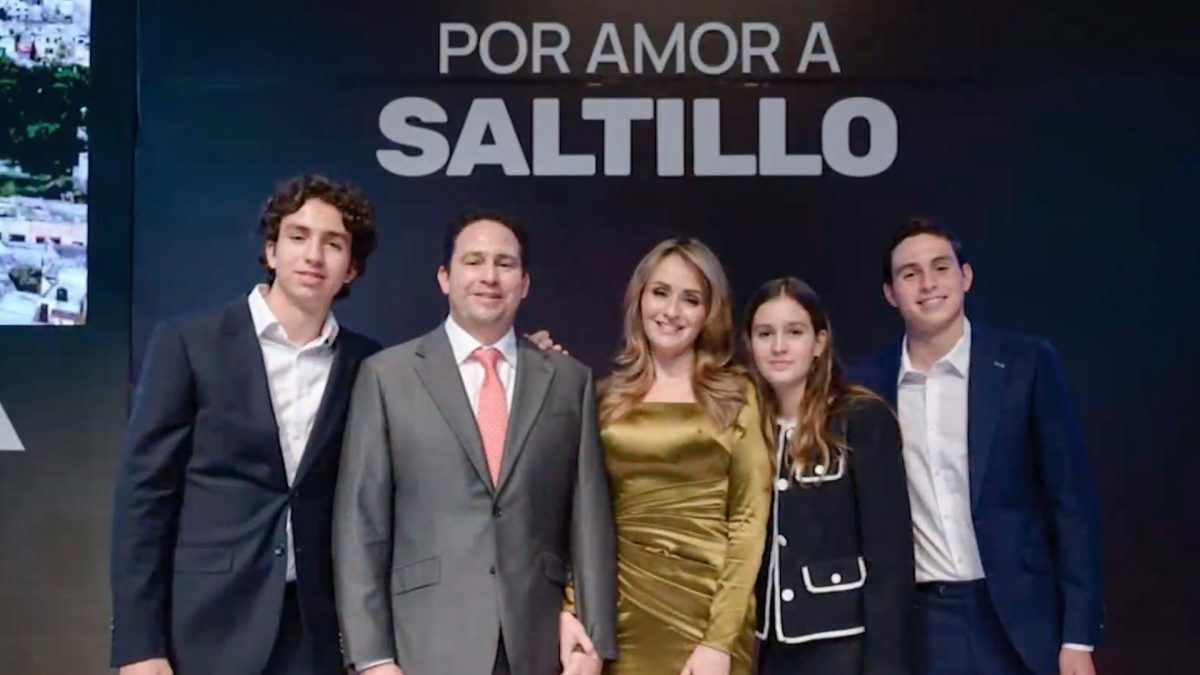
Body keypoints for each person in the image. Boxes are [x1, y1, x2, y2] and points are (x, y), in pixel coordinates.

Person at [110, 174, 380, 675]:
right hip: (204, 627)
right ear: (272, 251)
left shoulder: (369, 364)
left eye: (333, 243)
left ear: (352, 268)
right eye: (298, 236)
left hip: (315, 635)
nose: (313, 256)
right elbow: (144, 499)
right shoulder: (189, 343)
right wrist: (138, 646)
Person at [333, 211, 618, 675]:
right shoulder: (387, 376)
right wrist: (371, 658)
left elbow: (590, 519)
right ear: (445, 278)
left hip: (539, 644)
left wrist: (595, 638)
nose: (489, 276)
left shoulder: (570, 380)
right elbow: (360, 525)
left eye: (505, 264)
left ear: (524, 284)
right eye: (474, 261)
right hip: (423, 643)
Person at [853, 218, 1104, 675]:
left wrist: (1078, 637)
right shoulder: (866, 387)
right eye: (910, 273)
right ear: (890, 293)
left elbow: (1070, 504)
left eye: (941, 267)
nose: (928, 284)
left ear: (965, 276)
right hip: (925, 622)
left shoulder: (1025, 365)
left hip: (1023, 619)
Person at [591, 238, 771, 675]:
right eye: (660, 293)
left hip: (708, 617)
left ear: (709, 313)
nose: (672, 311)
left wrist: (719, 640)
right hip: (623, 619)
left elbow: (748, 522)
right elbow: (587, 522)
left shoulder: (737, 394)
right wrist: (581, 617)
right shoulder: (602, 398)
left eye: (690, 299)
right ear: (639, 298)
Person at [743, 277, 913, 674]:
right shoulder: (747, 424)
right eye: (765, 333)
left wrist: (885, 666)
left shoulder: (861, 418)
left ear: (819, 342)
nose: (779, 346)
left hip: (843, 647)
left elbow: (890, 558)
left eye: (794, 332)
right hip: (770, 649)